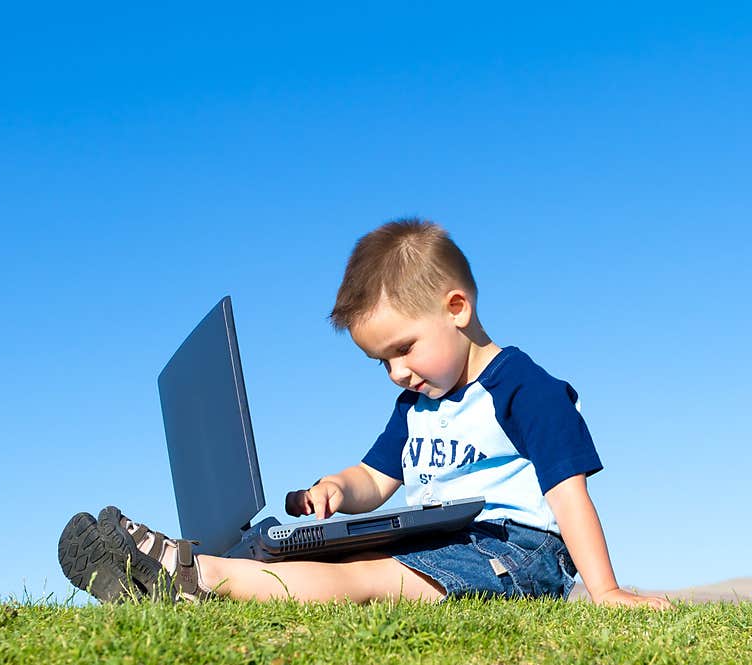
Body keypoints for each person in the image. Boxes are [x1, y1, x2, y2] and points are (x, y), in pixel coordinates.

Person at [58, 217, 671, 609]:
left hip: (513, 551)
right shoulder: (416, 406)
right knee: (320, 552)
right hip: (436, 536)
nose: (398, 372)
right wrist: (332, 489)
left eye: (403, 349)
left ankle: (196, 580)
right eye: (382, 362)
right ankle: (194, 564)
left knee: (370, 582)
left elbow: (568, 496)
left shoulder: (523, 387)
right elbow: (375, 480)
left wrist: (605, 589)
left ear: (456, 308)